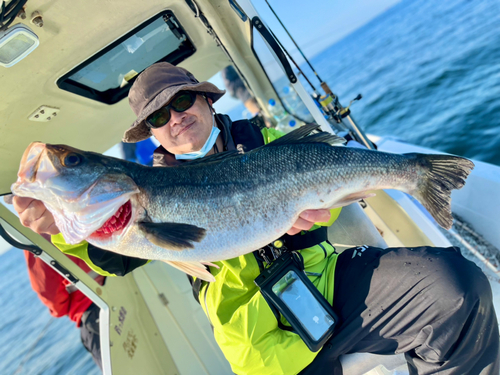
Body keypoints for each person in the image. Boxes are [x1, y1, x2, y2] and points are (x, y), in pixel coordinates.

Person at [13, 62, 499, 375]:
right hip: (263, 346)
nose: (175, 118)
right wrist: (56, 228)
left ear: (206, 99)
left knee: (457, 285)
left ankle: (417, 177)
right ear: (153, 137)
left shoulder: (266, 141)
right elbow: (110, 259)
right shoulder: (148, 195)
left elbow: (323, 176)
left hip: (329, 290)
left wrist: (323, 211)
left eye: (182, 101)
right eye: (159, 117)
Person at [24, 245, 104, 371]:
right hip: (122, 283)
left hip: (93, 312)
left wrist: (62, 308)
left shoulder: (32, 237)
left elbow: (50, 294)